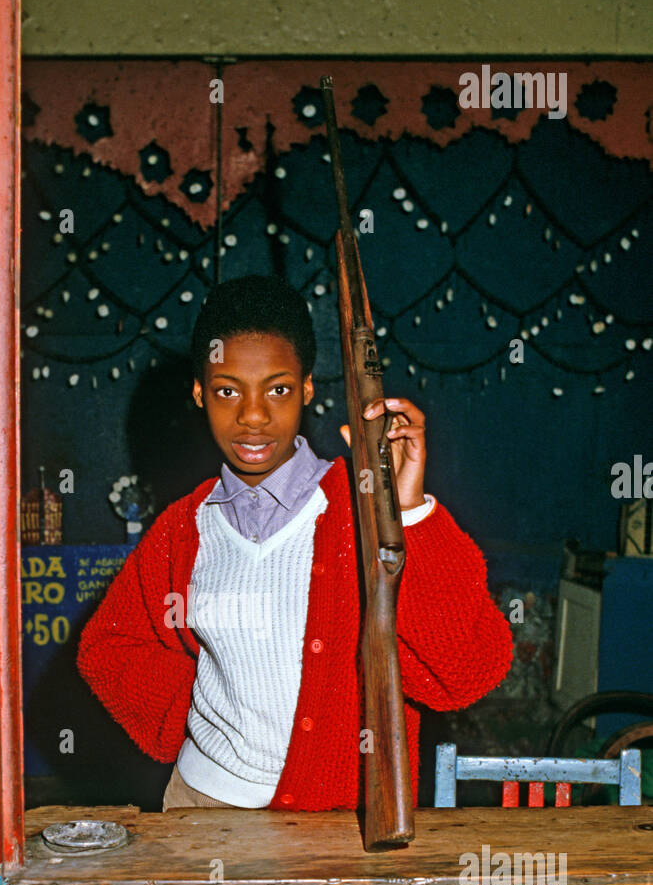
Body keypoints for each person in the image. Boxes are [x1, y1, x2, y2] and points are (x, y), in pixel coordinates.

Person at [77, 274, 513, 811]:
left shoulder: (361, 512)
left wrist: (406, 514)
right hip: (198, 804)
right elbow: (108, 646)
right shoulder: (182, 528)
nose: (253, 415)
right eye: (227, 390)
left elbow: (465, 672)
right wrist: (193, 710)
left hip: (336, 823)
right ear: (199, 393)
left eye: (277, 389)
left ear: (307, 388)